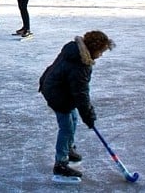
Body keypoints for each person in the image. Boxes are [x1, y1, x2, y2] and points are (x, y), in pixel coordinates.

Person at [39, 30, 115, 180]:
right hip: (57, 94)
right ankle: (60, 164)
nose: (101, 55)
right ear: (94, 48)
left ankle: (68, 148)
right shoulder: (80, 65)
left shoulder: (74, 49)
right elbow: (81, 94)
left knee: (73, 119)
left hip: (56, 86)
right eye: (101, 51)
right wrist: (88, 115)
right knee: (66, 127)